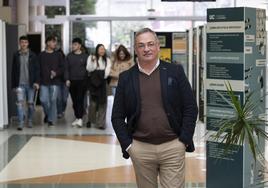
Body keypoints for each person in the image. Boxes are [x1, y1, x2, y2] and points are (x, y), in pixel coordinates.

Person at [112, 28, 198, 188]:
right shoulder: (126, 78)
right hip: (140, 148)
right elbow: (117, 116)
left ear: (158, 46)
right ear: (136, 50)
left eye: (150, 44)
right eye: (141, 45)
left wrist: (184, 140)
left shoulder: (175, 72)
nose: (146, 49)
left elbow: (190, 107)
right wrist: (129, 146)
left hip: (173, 146)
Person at [11, 35, 40, 130]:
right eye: (22, 42)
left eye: (25, 42)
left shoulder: (33, 55)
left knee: (30, 104)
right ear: (19, 43)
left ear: (28, 44)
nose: (23, 44)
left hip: (31, 84)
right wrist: (14, 85)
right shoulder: (16, 55)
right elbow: (13, 71)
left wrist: (37, 82)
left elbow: (37, 70)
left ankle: (30, 120)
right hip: (19, 84)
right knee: (19, 103)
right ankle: (20, 122)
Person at [39, 36, 64, 126]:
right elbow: (38, 69)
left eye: (55, 42)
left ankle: (50, 119)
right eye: (53, 42)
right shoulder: (41, 55)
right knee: (43, 100)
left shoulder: (58, 55)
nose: (55, 44)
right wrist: (37, 81)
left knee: (53, 100)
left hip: (55, 82)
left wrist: (56, 73)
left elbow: (62, 68)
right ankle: (48, 114)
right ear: (48, 43)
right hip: (43, 82)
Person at [86, 44, 111, 129]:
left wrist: (101, 76)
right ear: (97, 50)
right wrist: (93, 62)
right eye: (100, 49)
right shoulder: (91, 57)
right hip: (93, 83)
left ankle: (101, 124)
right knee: (93, 103)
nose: (102, 51)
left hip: (103, 83)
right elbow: (89, 69)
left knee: (103, 103)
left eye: (103, 49)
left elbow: (107, 71)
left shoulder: (107, 60)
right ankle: (90, 120)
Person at [65, 38, 88, 127]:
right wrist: (67, 79)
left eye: (75, 44)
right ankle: (78, 118)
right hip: (72, 81)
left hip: (82, 81)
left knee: (80, 99)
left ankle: (80, 118)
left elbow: (88, 69)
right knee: (74, 101)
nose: (73, 46)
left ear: (79, 46)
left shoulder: (85, 56)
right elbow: (66, 69)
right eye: (72, 44)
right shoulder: (69, 56)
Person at [56, 47, 69, 119]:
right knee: (59, 98)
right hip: (57, 82)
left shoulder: (65, 61)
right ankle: (59, 112)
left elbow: (68, 70)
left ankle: (63, 110)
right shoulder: (55, 62)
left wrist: (68, 79)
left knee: (64, 98)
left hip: (65, 82)